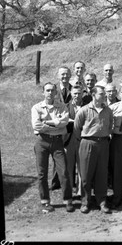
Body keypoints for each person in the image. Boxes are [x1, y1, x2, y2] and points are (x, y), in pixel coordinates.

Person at [31, 82, 74, 213]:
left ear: (56, 93)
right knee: (42, 173)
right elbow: (36, 126)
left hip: (57, 142)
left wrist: (47, 123)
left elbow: (65, 122)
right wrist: (56, 124)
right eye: (47, 90)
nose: (50, 93)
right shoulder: (36, 107)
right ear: (43, 92)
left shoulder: (62, 107)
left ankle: (68, 200)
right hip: (42, 142)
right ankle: (45, 202)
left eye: (52, 91)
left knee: (64, 171)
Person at [74, 85, 114, 214]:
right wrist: (86, 140)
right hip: (87, 143)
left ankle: (102, 201)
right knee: (85, 174)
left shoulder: (108, 111)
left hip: (103, 143)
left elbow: (110, 126)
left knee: (102, 174)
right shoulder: (84, 110)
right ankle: (85, 202)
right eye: (101, 94)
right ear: (94, 95)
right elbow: (76, 128)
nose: (104, 96)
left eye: (104, 94)